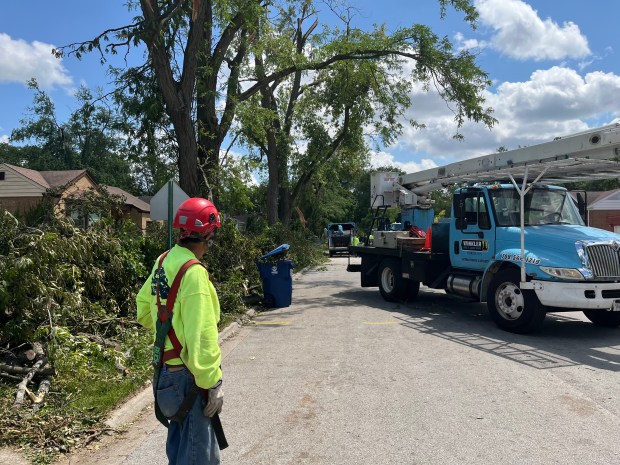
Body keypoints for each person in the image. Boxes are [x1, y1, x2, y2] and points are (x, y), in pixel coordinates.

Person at [137, 197, 224, 465]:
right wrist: (212, 383)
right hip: (188, 381)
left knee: (179, 450)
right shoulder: (194, 273)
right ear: (208, 234)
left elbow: (143, 310)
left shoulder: (163, 261)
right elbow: (202, 335)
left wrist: (170, 330)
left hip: (164, 377)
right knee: (199, 457)